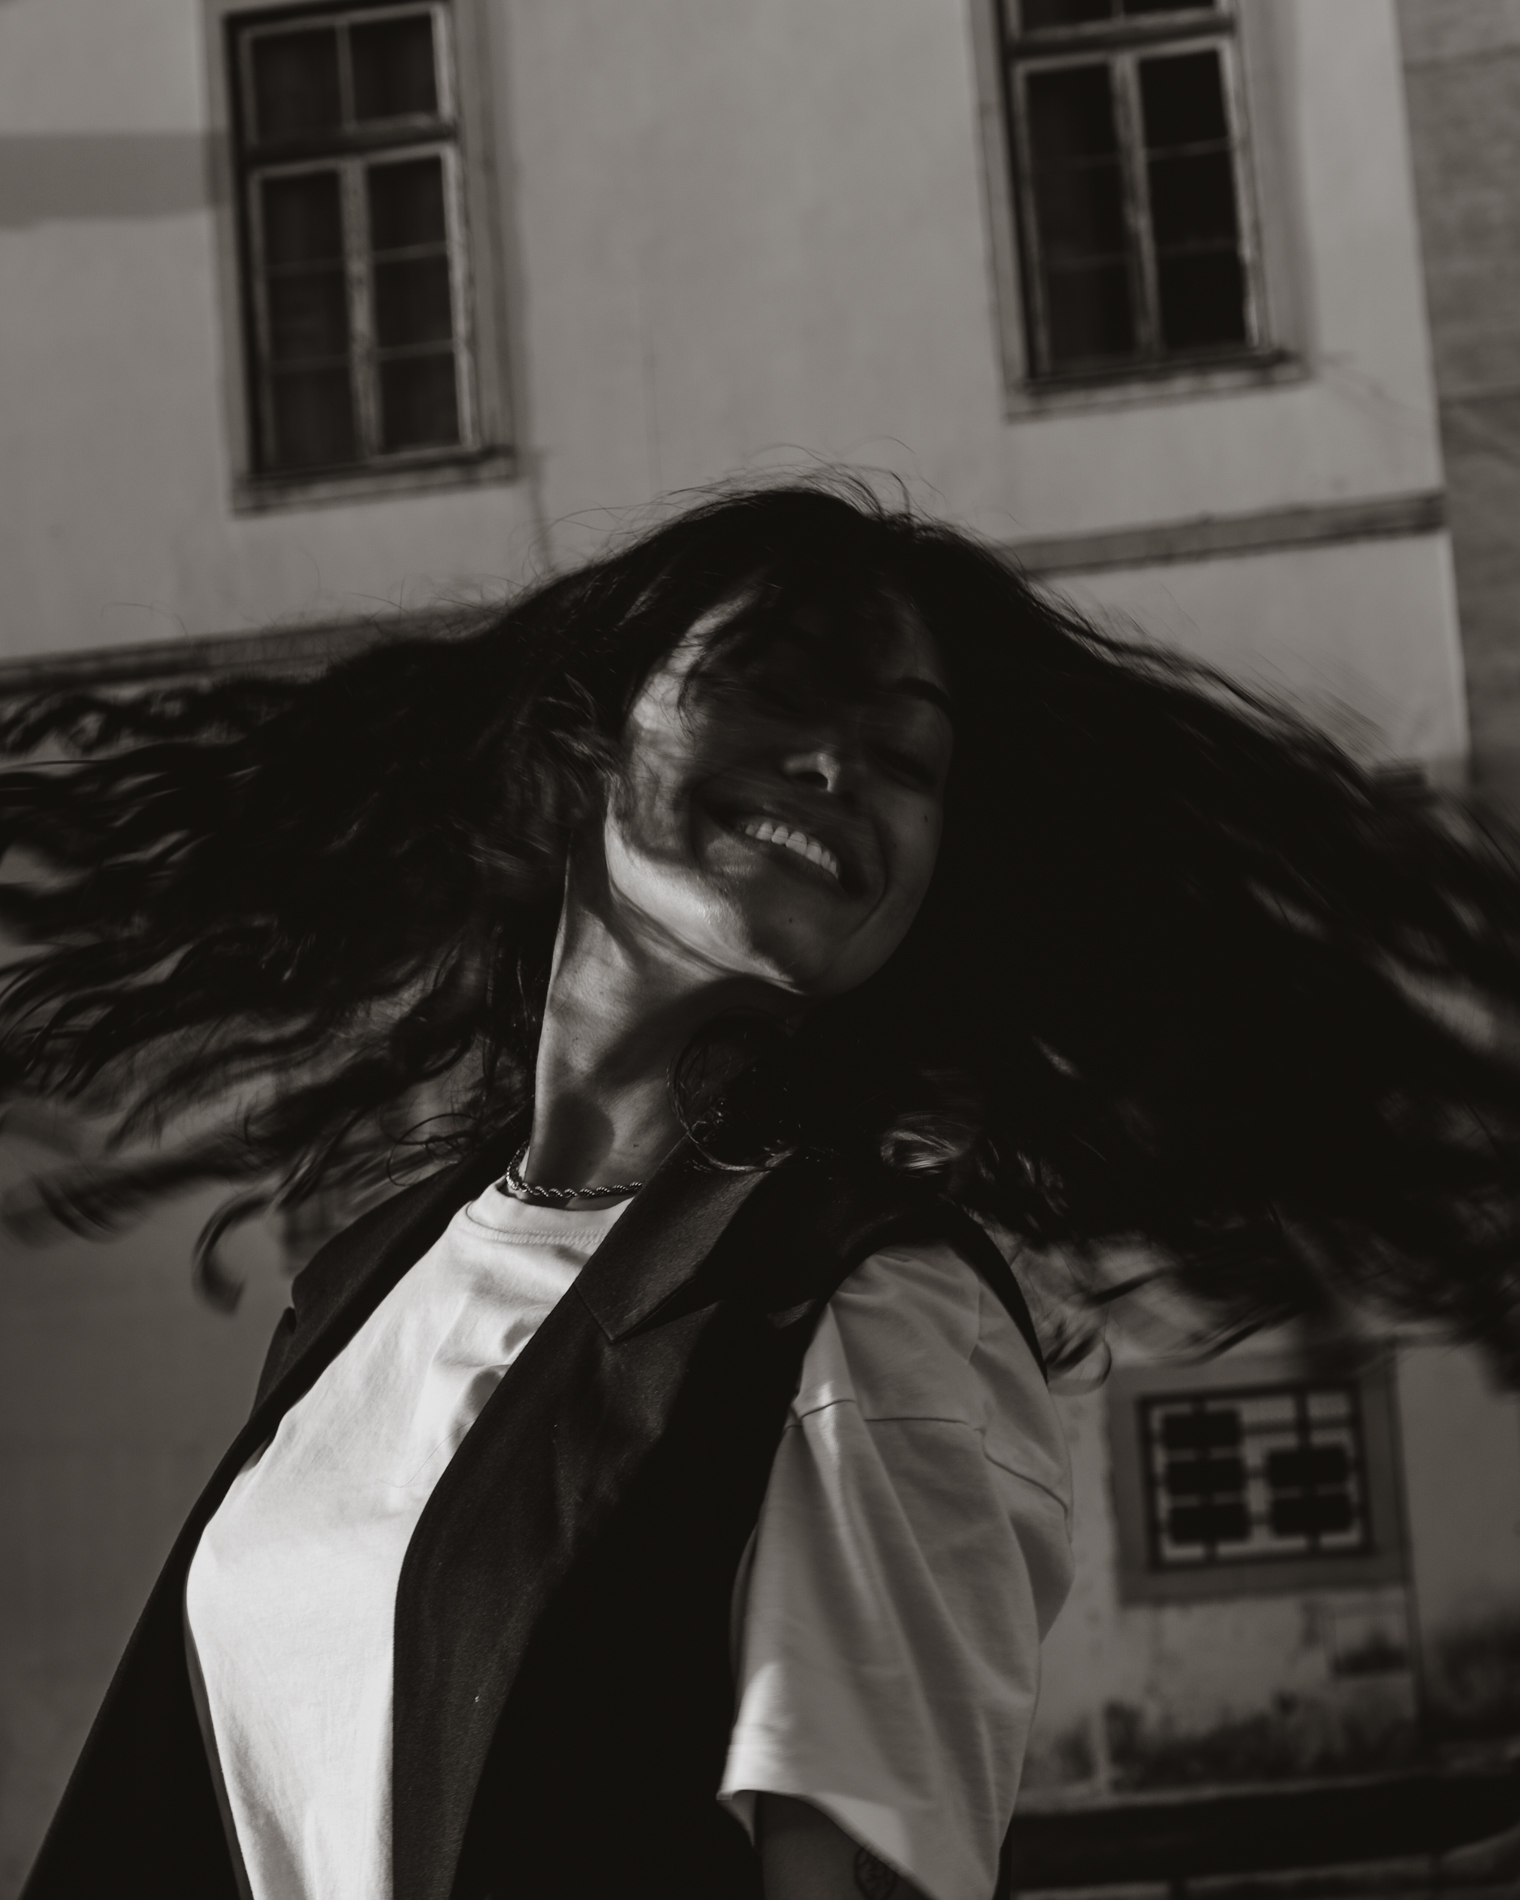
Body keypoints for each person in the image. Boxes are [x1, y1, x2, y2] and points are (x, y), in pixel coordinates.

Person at [6, 479, 1520, 1900]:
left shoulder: (854, 1309)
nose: (838, 766)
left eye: (908, 759)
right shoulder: (374, 1278)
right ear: (581, 741)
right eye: (776, 690)